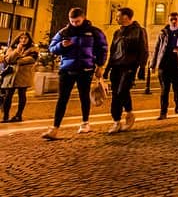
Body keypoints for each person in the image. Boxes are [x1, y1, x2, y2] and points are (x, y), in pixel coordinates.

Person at [42, 7, 108, 140]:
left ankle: (85, 123)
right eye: (72, 21)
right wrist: (61, 45)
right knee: (62, 99)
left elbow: (103, 48)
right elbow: (52, 48)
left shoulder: (94, 32)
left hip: (86, 69)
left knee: (84, 97)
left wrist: (100, 65)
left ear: (83, 18)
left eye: (77, 21)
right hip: (67, 70)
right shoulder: (64, 32)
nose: (74, 24)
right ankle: (55, 127)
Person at [105, 7, 149, 134]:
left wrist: (142, 67)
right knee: (115, 94)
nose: (116, 18)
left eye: (118, 16)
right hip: (116, 66)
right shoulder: (117, 33)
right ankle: (116, 121)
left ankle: (129, 113)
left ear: (126, 17)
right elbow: (113, 52)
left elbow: (144, 50)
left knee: (122, 91)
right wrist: (107, 68)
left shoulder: (139, 31)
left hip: (129, 66)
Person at [149, 12, 178, 120]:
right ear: (169, 20)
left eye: (175, 19)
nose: (174, 21)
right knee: (164, 90)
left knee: (177, 88)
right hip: (164, 63)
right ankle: (163, 112)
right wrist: (153, 64)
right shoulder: (163, 32)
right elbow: (157, 48)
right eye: (171, 19)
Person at [2, 32, 38, 123]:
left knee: (22, 95)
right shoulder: (12, 48)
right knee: (8, 95)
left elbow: (31, 59)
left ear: (29, 39)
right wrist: (17, 51)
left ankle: (18, 115)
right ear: (18, 39)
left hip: (24, 75)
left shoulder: (33, 49)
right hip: (11, 75)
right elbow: (8, 60)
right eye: (21, 38)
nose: (23, 40)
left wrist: (16, 59)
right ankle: (5, 116)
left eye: (25, 38)